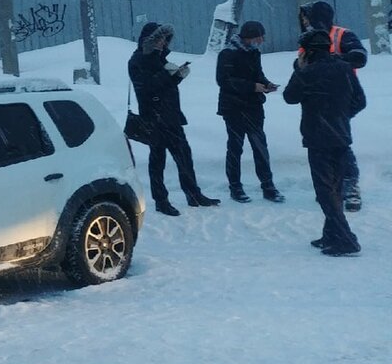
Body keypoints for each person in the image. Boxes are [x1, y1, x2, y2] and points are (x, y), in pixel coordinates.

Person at [283, 29, 365, 256]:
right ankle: (331, 234)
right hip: (341, 136)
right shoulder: (345, 68)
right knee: (335, 188)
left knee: (324, 192)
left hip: (317, 139)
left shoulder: (307, 72)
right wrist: (340, 116)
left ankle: (345, 239)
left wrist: (298, 70)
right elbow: (360, 101)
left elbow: (289, 97)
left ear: (307, 51)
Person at [128, 22, 219, 216]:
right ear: (150, 40)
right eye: (159, 39)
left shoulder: (159, 58)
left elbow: (163, 85)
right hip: (154, 118)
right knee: (158, 161)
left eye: (165, 39)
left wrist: (176, 75)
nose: (163, 43)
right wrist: (170, 75)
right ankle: (161, 201)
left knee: (184, 156)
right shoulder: (137, 60)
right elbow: (147, 88)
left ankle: (193, 194)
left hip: (171, 116)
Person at [299, 1, 367, 211]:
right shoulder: (308, 39)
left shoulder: (342, 34)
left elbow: (359, 57)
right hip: (317, 102)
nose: (304, 21)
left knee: (339, 144)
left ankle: (350, 186)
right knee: (326, 146)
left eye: (306, 17)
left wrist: (331, 61)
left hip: (342, 98)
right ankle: (330, 188)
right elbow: (301, 64)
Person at [215, 20, 283, 203]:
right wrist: (253, 87)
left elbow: (257, 74)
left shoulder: (253, 52)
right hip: (233, 108)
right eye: (259, 38)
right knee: (235, 148)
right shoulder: (227, 53)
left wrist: (266, 84)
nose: (261, 41)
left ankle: (268, 186)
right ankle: (235, 187)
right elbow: (224, 81)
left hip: (254, 107)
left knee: (260, 147)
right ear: (249, 37)